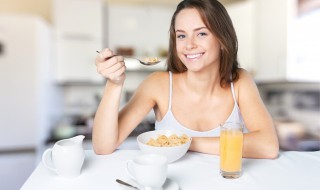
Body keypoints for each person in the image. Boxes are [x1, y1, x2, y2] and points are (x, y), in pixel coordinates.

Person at [93, 0, 279, 159]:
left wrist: (184, 143)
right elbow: (102, 147)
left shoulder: (240, 82)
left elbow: (268, 146)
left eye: (201, 33)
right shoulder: (158, 84)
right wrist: (114, 84)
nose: (189, 45)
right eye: (181, 35)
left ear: (222, 40)